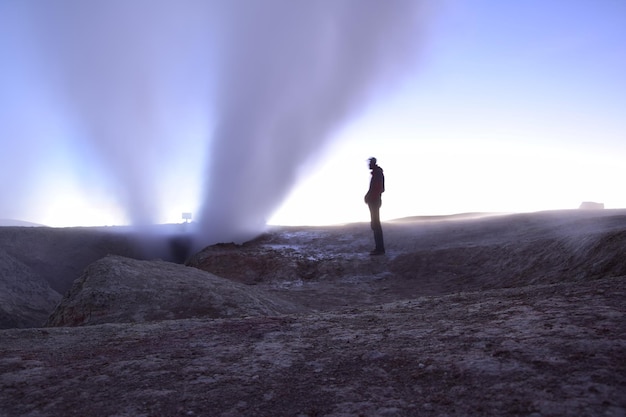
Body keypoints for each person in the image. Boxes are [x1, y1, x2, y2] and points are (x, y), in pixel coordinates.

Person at [364, 157, 385, 255]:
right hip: (374, 201)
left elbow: (378, 188)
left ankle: (380, 249)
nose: (368, 165)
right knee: (375, 224)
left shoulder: (377, 174)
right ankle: (379, 248)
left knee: (376, 224)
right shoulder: (376, 173)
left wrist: (370, 197)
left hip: (375, 201)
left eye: (369, 163)